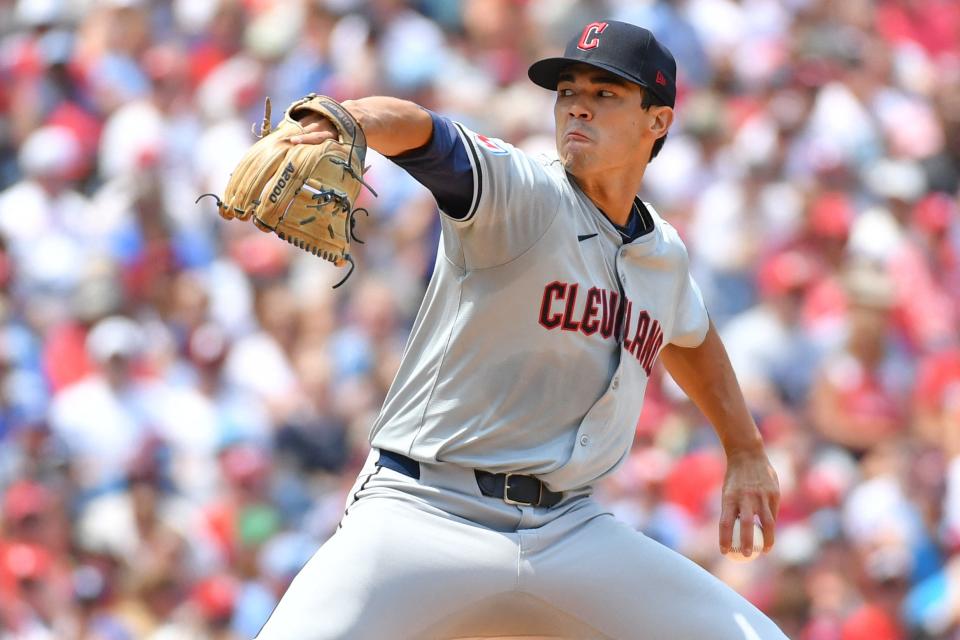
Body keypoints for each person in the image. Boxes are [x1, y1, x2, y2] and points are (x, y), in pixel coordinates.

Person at [256, 20, 786, 640]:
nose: (578, 106)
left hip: (569, 530)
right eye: (568, 92)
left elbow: (690, 337)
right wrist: (349, 121)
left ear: (658, 122)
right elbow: (425, 133)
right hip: (425, 513)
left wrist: (745, 448)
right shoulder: (523, 190)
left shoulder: (661, 254)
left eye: (606, 93)